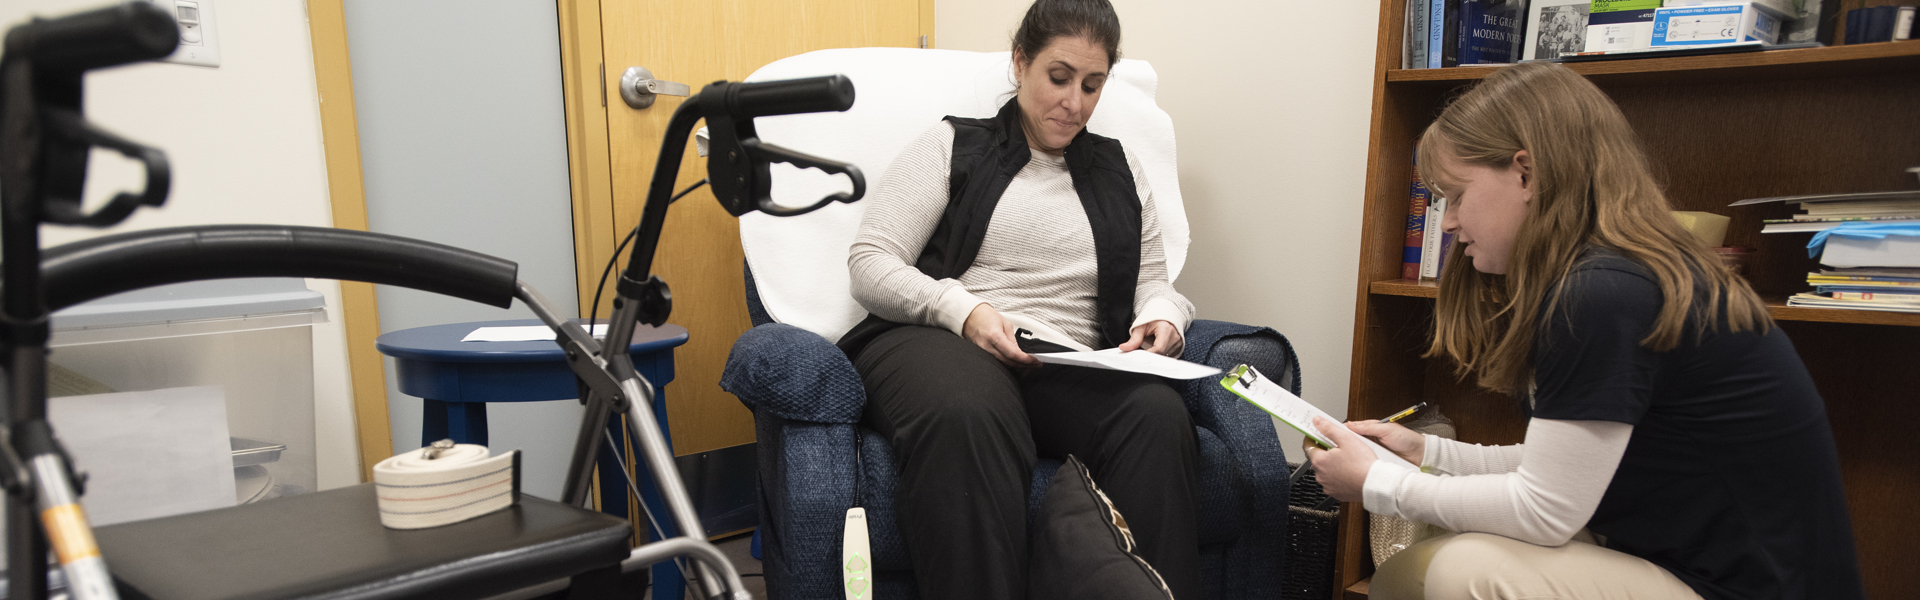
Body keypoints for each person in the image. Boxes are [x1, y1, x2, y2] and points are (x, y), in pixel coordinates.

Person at [1304, 62, 1864, 600]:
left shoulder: (1602, 294)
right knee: (1415, 572)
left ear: (1526, 173)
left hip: (1748, 589)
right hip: (1695, 564)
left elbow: (1545, 511)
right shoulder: (1620, 276)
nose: (1447, 222)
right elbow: (1565, 465)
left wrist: (1379, 485)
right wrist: (1425, 452)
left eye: (1455, 195)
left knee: (1460, 572)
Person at [839, 0, 1200, 597]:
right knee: (969, 410)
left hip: (1065, 360)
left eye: (1092, 85)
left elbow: (1153, 283)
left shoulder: (1122, 170)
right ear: (1020, 63)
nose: (1074, 102)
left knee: (1156, 416)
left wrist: (1164, 317)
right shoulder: (954, 145)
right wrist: (965, 311)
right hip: (946, 341)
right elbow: (870, 263)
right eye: (1059, 78)